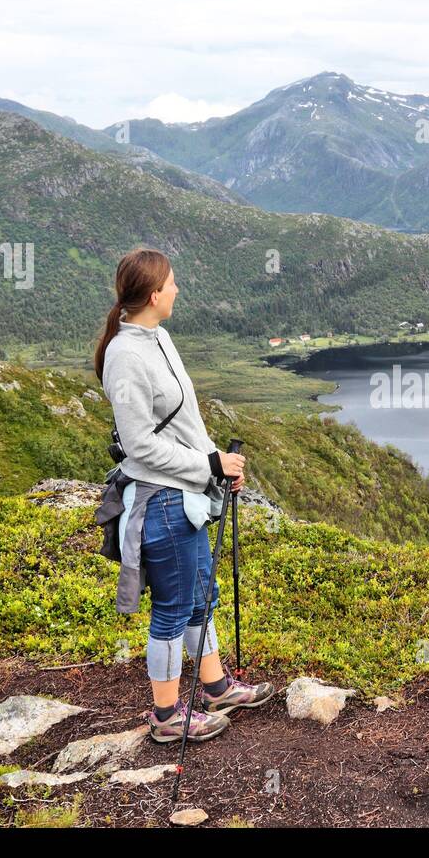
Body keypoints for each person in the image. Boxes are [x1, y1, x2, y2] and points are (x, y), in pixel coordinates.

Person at [94, 247, 275, 744]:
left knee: (201, 597)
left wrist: (219, 462)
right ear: (154, 295)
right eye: (172, 283)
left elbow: (186, 422)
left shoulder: (159, 337)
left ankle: (215, 689)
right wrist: (206, 465)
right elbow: (139, 446)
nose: (177, 290)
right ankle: (167, 716)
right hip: (162, 502)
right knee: (173, 609)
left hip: (188, 495)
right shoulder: (125, 356)